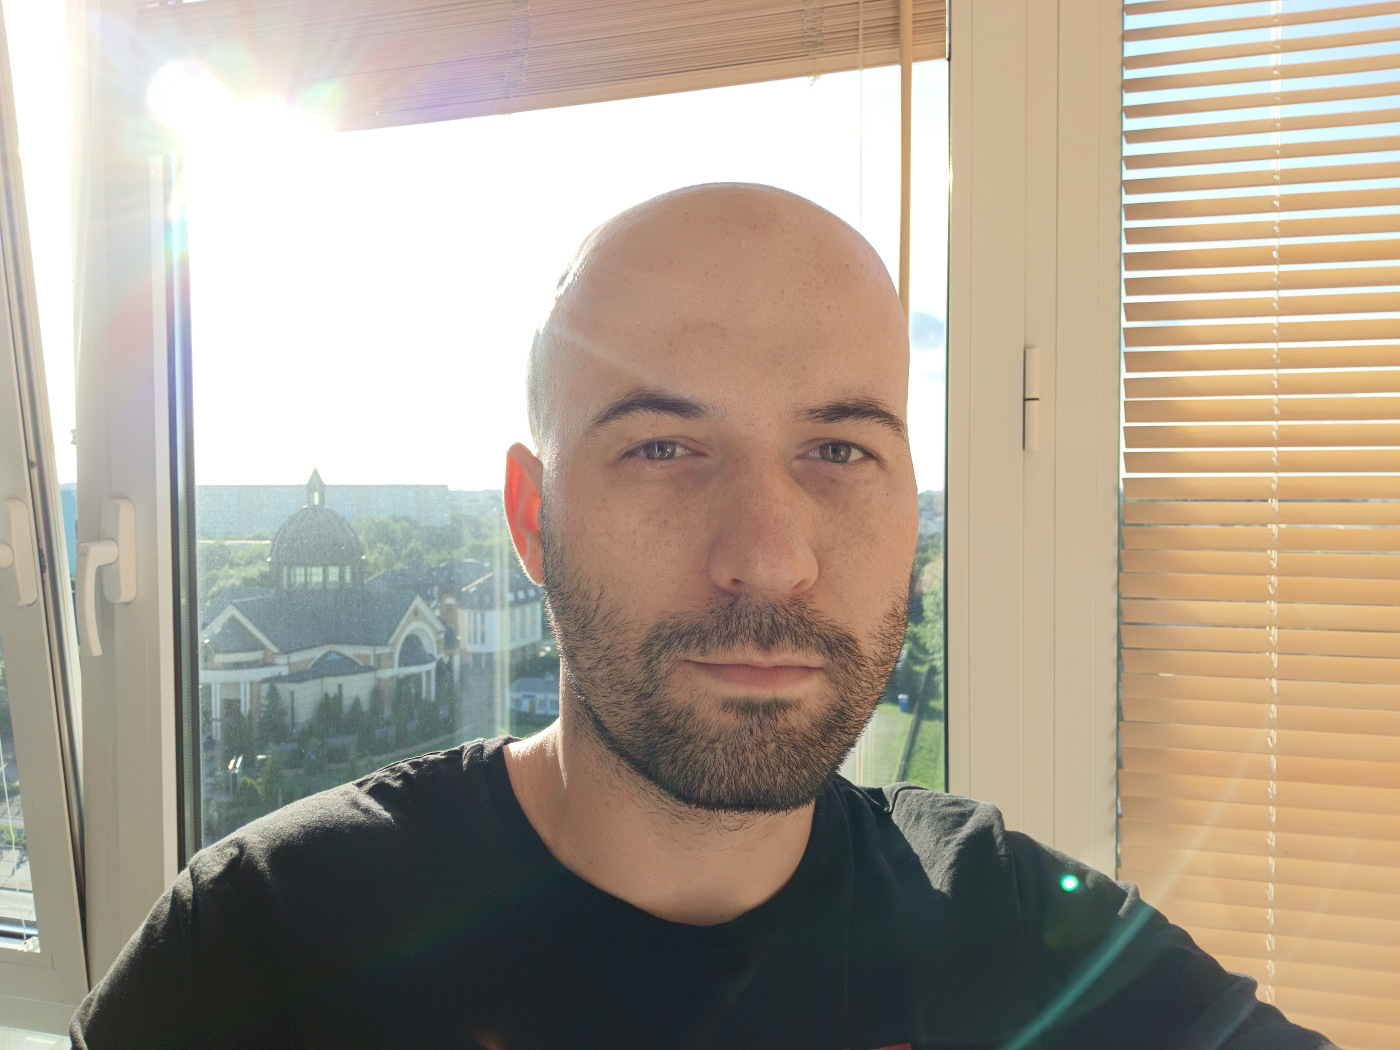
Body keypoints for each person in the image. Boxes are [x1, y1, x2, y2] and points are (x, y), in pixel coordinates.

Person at [71, 184, 1335, 1050]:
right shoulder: (269, 939)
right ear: (532, 518)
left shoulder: (1018, 934)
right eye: (664, 447)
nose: (768, 558)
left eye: (838, 449)